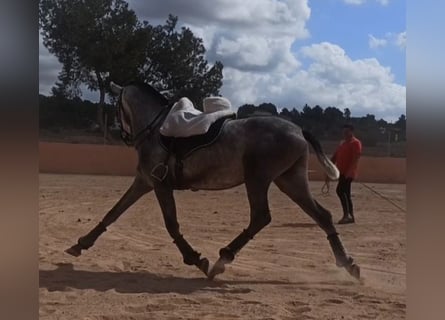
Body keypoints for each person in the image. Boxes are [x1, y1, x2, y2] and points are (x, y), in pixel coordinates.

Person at [330, 124, 362, 224]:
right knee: (346, 194)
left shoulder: (356, 143)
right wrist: (329, 166)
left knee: (340, 190)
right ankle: (350, 216)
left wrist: (350, 171)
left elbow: (355, 158)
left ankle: (346, 215)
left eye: (347, 132)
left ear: (352, 132)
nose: (345, 134)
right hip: (341, 172)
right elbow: (335, 156)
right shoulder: (342, 143)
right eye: (344, 132)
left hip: (348, 173)